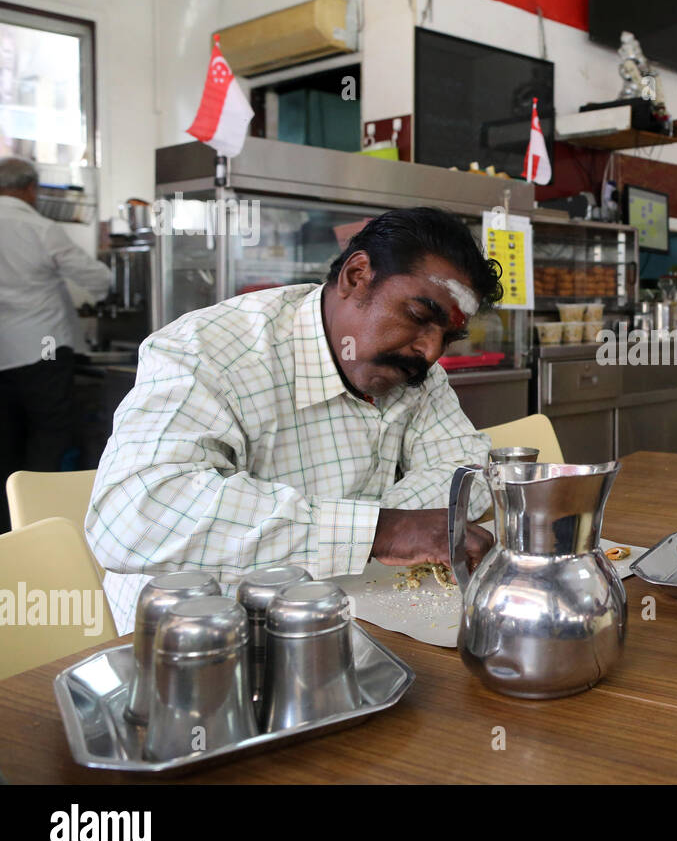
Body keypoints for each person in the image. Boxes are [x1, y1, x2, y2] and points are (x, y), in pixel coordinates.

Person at [87, 207, 501, 634]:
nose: (431, 351)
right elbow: (131, 516)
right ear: (357, 276)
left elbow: (468, 470)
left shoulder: (414, 370)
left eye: (448, 337)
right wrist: (380, 532)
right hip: (201, 645)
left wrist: (370, 533)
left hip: (349, 618)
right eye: (417, 316)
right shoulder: (206, 352)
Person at [0, 156, 111, 532]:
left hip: (3, 352)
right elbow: (93, 275)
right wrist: (106, 285)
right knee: (49, 433)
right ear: (30, 189)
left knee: (6, 440)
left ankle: (8, 529)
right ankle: (40, 526)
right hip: (41, 347)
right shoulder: (37, 227)